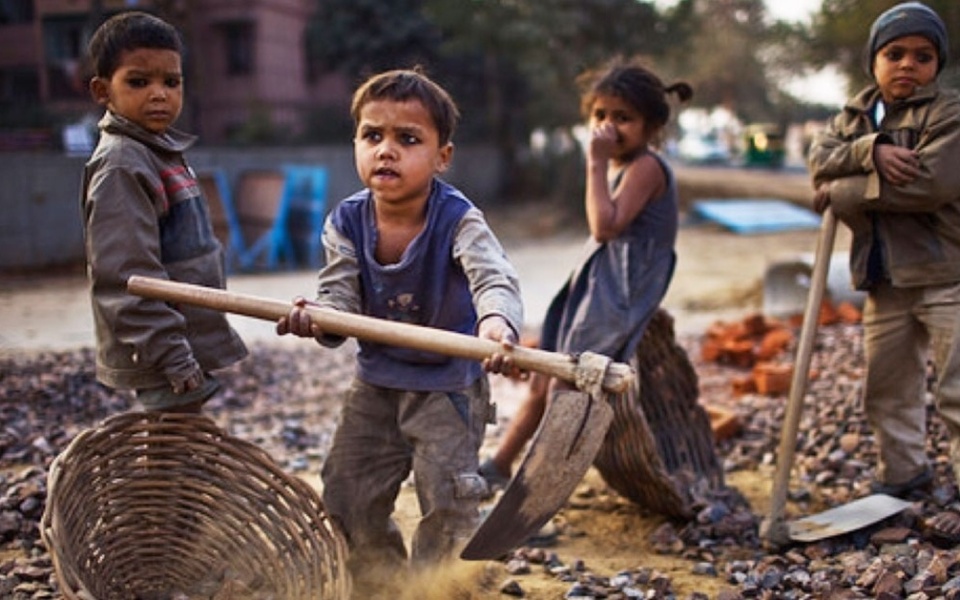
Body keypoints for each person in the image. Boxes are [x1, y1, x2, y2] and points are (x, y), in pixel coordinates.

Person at [276, 68, 524, 588]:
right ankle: (381, 584)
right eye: (373, 136)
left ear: (442, 157)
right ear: (356, 144)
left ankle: (439, 590)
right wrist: (316, 318)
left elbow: (492, 276)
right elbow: (338, 299)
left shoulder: (458, 219)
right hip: (376, 385)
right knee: (349, 490)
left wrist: (497, 322)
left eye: (407, 139)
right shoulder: (345, 222)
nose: (386, 150)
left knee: (449, 501)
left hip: (448, 390)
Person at [479, 58, 692, 492]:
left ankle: (536, 490)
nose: (609, 127)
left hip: (619, 294)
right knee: (545, 379)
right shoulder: (619, 164)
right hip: (596, 285)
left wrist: (593, 163)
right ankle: (501, 464)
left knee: (569, 392)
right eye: (600, 116)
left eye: (623, 118)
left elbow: (604, 225)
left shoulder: (646, 168)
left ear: (651, 127)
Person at [807, 2, 960, 545]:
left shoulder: (947, 114)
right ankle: (905, 476)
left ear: (937, 65)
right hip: (884, 277)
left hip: (946, 273)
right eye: (894, 54)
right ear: (874, 61)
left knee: (956, 388)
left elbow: (931, 185)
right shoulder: (852, 118)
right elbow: (818, 160)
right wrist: (870, 149)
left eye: (922, 56)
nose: (907, 66)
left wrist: (844, 191)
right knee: (887, 387)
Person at [81, 11, 247, 413]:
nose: (159, 94)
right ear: (103, 90)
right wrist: (171, 353)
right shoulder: (123, 164)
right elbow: (127, 278)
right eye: (139, 82)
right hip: (159, 352)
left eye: (171, 82)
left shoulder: (159, 151)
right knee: (169, 455)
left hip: (182, 341)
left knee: (182, 451)